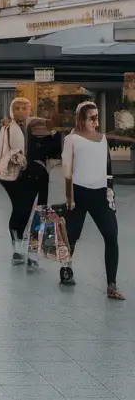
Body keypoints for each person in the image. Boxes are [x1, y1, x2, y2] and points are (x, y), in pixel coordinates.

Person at [62, 101, 123, 299]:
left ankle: (111, 284)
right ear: (81, 119)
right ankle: (66, 269)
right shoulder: (71, 140)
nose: (96, 121)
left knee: (111, 237)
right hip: (79, 194)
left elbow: (108, 170)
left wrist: (110, 193)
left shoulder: (103, 138)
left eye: (97, 117)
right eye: (92, 117)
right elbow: (67, 171)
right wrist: (69, 197)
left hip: (100, 195)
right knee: (72, 236)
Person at [0, 97, 47, 267]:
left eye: (25, 108)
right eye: (17, 108)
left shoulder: (35, 124)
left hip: (34, 174)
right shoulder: (9, 127)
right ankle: (17, 248)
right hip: (13, 175)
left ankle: (28, 250)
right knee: (20, 209)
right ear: (11, 110)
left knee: (31, 210)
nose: (21, 111)